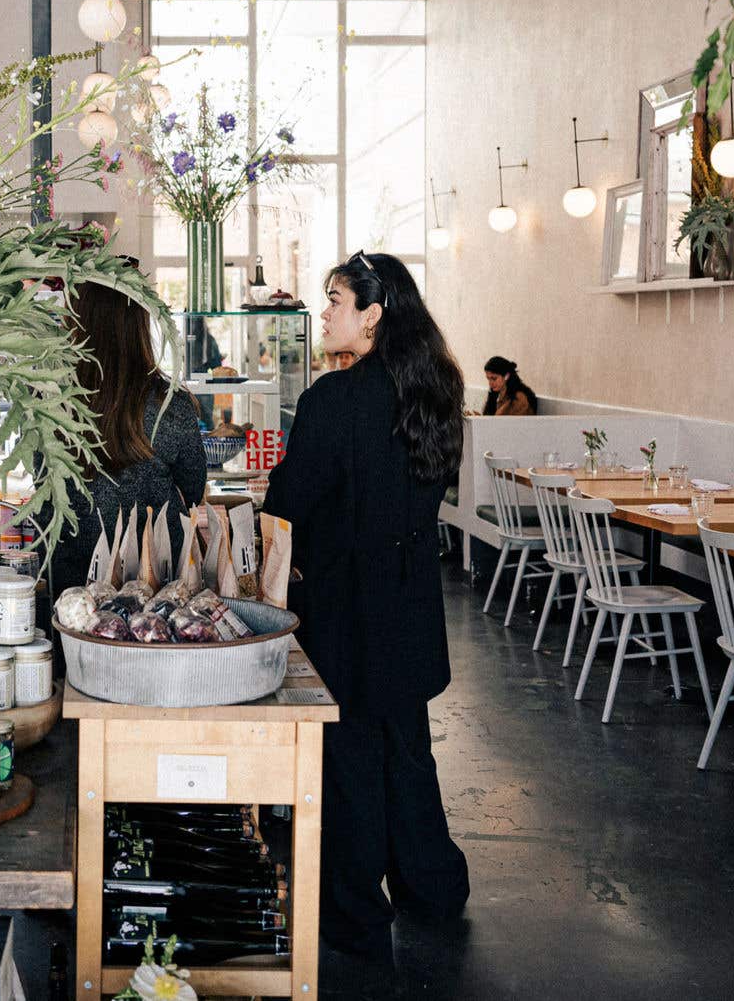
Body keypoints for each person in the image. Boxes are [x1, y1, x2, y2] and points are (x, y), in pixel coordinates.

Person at [261, 251, 470, 961]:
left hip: (345, 604)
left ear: (373, 315)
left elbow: (288, 504)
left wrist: (281, 479)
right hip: (410, 602)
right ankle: (431, 885)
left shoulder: (332, 400)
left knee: (348, 756)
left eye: (336, 299)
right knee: (407, 747)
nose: (324, 313)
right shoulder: (436, 388)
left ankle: (354, 911)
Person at [44, 277, 209, 598]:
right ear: (140, 327)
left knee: (78, 646)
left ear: (75, 322)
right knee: (152, 646)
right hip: (157, 583)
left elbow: (42, 484)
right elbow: (192, 489)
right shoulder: (170, 403)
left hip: (74, 582)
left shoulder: (51, 400)